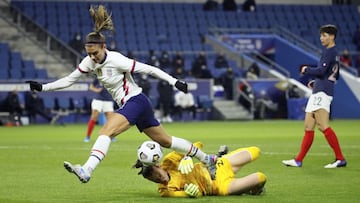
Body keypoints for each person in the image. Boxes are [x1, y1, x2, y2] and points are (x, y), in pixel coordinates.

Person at [26, 5, 216, 183]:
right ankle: (208, 159)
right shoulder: (89, 62)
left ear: (104, 47)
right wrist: (43, 87)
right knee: (166, 141)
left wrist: (174, 81)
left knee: (106, 131)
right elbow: (69, 79)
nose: (92, 58)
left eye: (95, 53)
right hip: (136, 104)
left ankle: (87, 169)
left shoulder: (117, 60)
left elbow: (149, 69)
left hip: (135, 101)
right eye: (89, 54)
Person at [282, 24, 347, 169]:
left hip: (322, 92)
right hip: (320, 89)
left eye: (324, 35)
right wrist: (318, 82)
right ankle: (298, 160)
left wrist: (307, 70)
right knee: (308, 126)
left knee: (323, 126)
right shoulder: (334, 53)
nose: (321, 38)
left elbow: (322, 69)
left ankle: (340, 158)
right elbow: (335, 75)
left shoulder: (329, 52)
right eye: (321, 35)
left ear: (332, 36)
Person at [133, 142, 267, 198]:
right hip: (218, 186)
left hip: (218, 166)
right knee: (260, 178)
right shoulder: (165, 190)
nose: (159, 180)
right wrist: (193, 193)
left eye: (157, 176)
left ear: (158, 166)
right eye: (154, 180)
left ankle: (220, 157)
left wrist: (187, 156)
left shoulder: (170, 161)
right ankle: (255, 190)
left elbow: (197, 144)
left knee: (256, 151)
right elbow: (191, 195)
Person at [84, 78, 115, 143]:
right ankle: (88, 136)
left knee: (111, 119)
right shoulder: (99, 77)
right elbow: (91, 87)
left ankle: (111, 136)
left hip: (108, 100)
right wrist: (96, 90)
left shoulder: (113, 77)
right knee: (94, 117)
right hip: (98, 100)